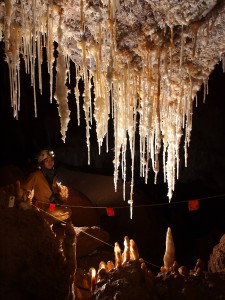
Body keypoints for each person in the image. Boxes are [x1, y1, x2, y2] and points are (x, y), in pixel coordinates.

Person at [22, 149, 72, 223]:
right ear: (42, 163)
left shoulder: (53, 176)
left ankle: (49, 220)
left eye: (51, 160)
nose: (50, 162)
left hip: (52, 206)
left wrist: (61, 197)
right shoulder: (36, 175)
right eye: (47, 161)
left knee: (67, 211)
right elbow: (25, 189)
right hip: (42, 207)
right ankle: (43, 220)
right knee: (66, 212)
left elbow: (54, 192)